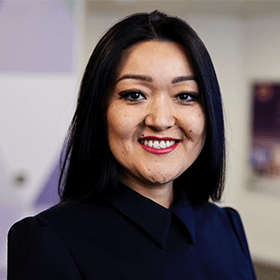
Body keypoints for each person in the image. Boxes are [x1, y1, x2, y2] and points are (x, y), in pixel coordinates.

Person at [8, 10, 256, 279]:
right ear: (100, 110)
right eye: (135, 95)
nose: (160, 120)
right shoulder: (48, 239)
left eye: (185, 96)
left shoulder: (226, 225)